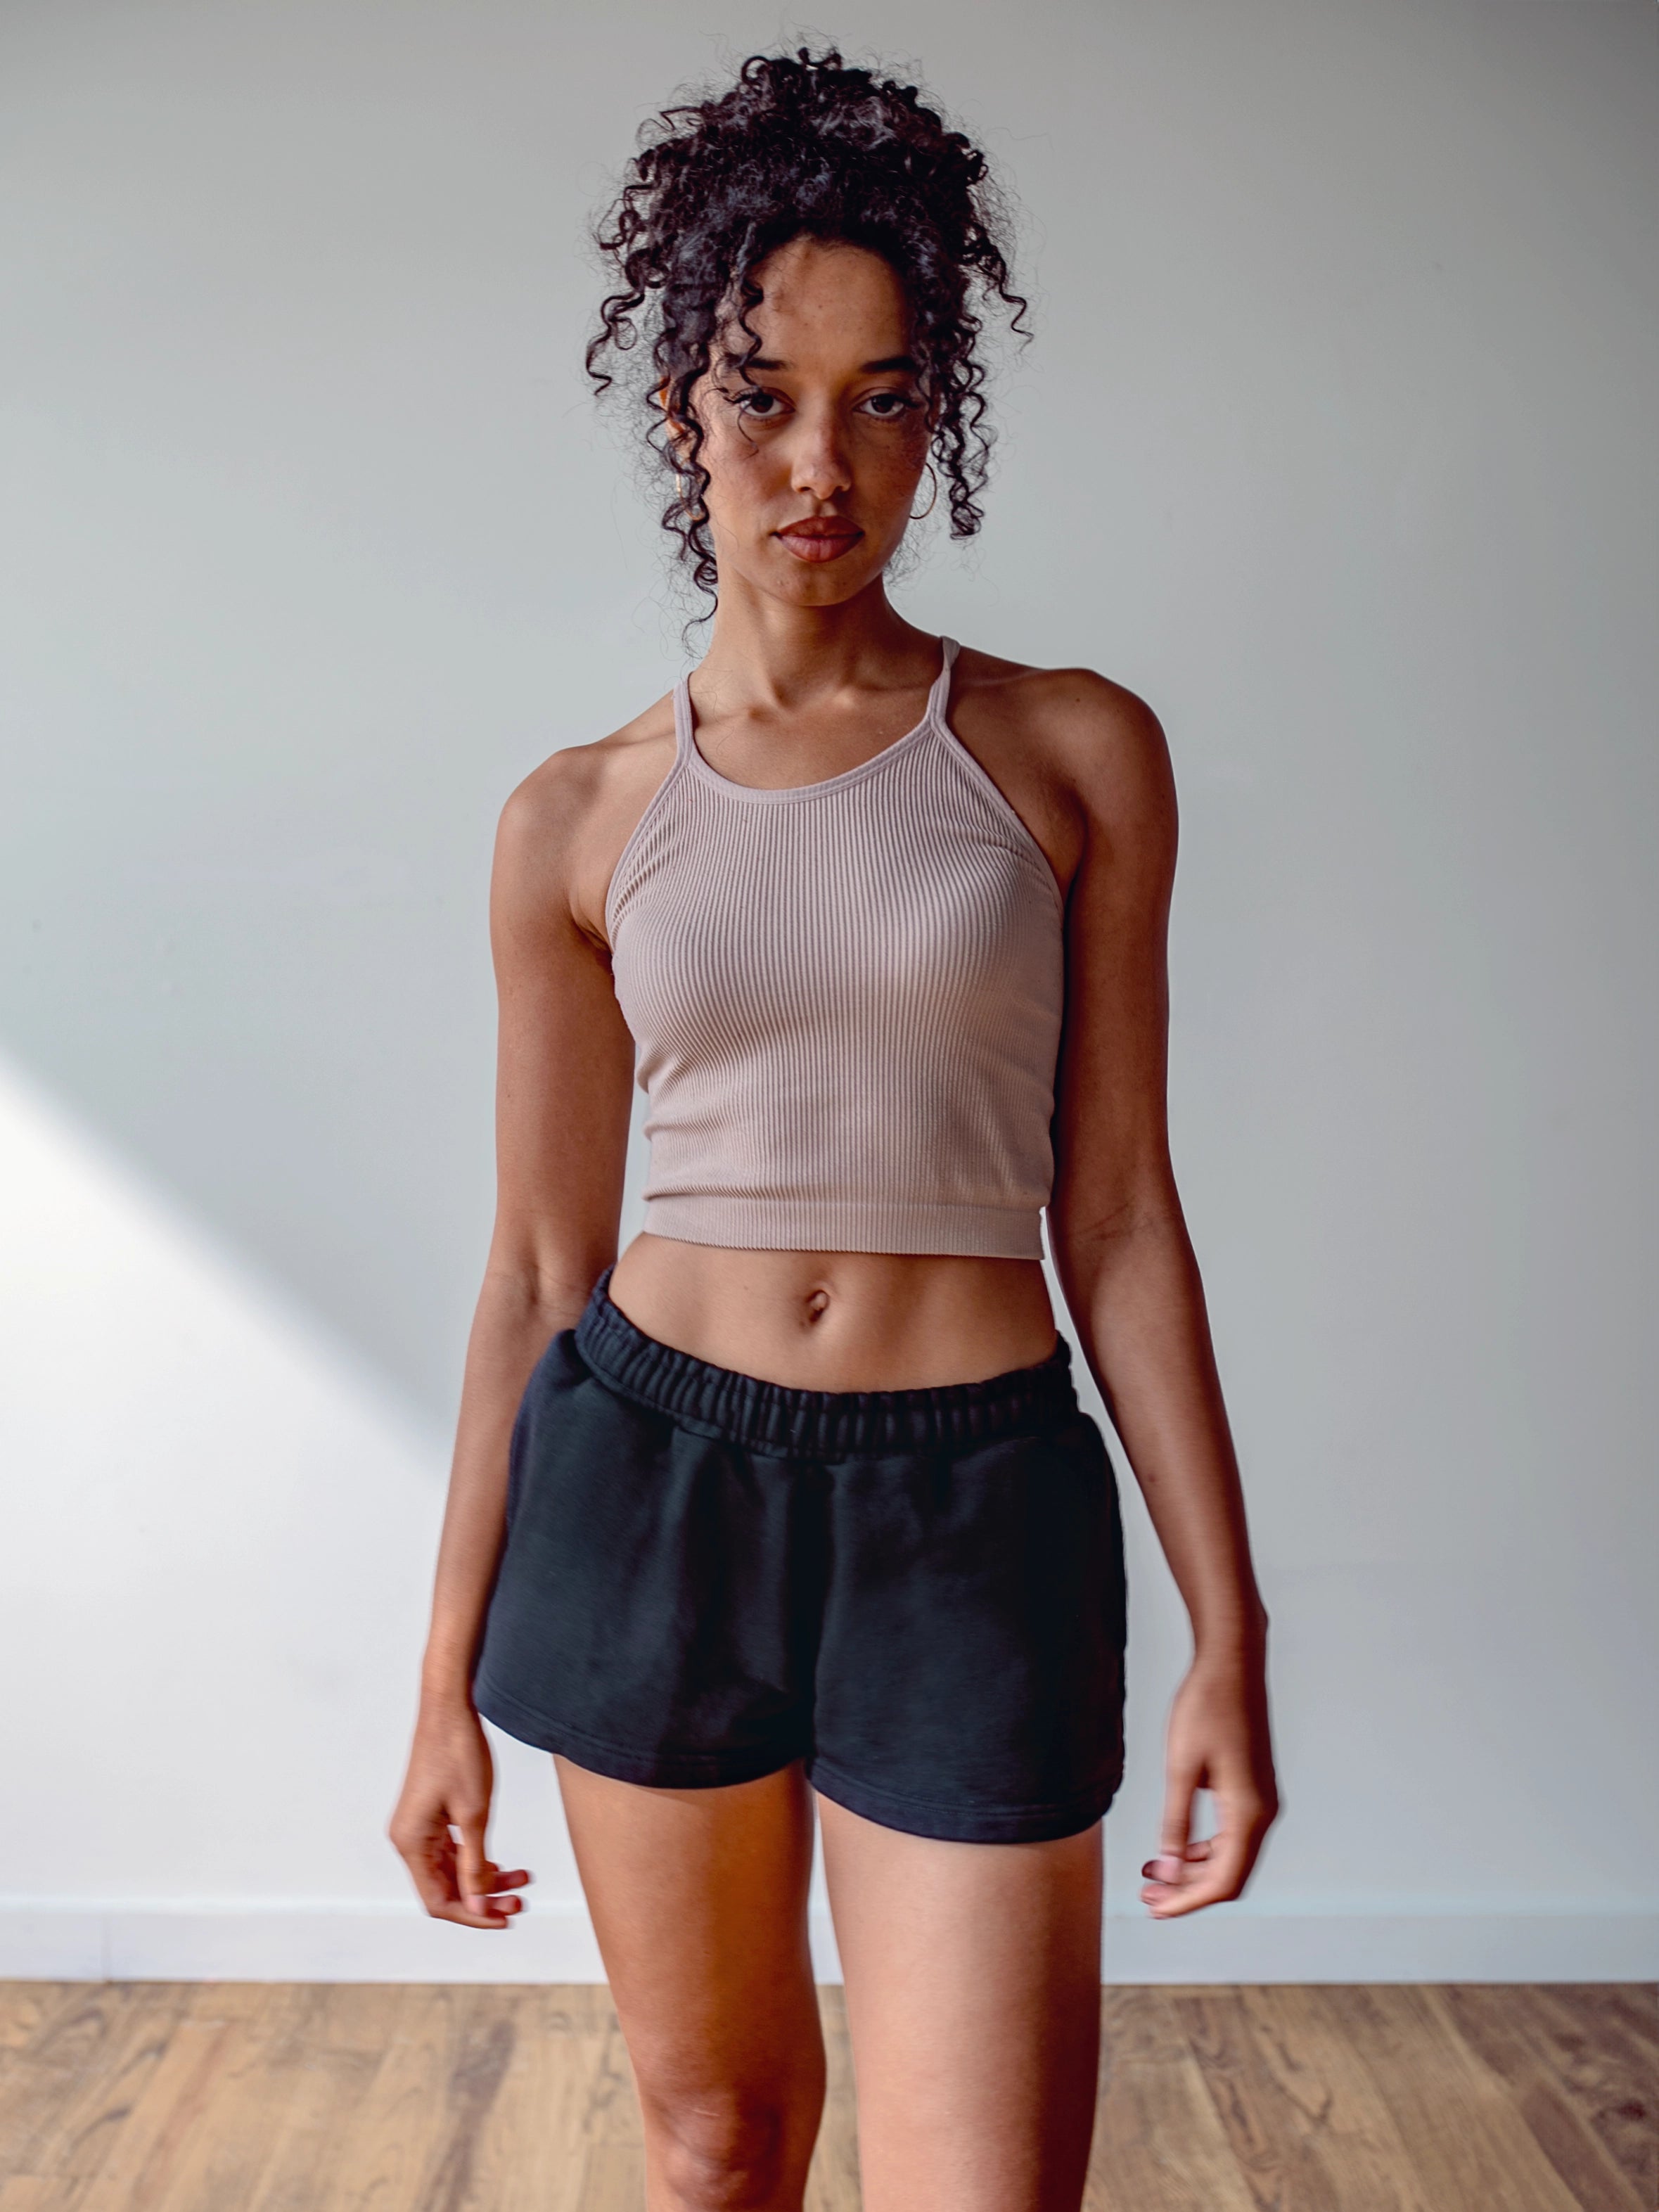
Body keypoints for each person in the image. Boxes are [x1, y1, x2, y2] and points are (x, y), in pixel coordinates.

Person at [390, 45, 1278, 2212]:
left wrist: (1232, 1636)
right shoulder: (574, 818)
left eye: (885, 397)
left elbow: (1123, 1217)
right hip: (652, 1484)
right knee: (719, 2145)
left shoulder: (1073, 754)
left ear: (938, 416)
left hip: (971, 1504)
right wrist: (439, 1690)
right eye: (764, 394)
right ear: (683, 415)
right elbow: (534, 1269)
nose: (821, 456)